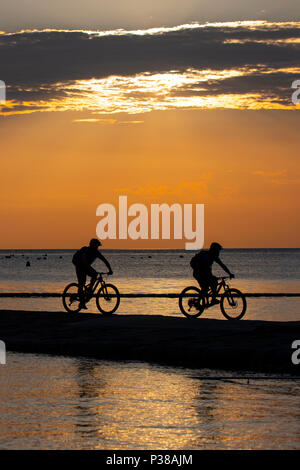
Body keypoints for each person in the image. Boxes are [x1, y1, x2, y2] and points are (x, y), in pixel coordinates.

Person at [72, 238, 113, 309]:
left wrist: (110, 270)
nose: (97, 247)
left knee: (95, 275)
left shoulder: (97, 253)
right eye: (96, 246)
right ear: (92, 245)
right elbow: (84, 261)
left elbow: (105, 260)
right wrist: (89, 269)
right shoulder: (86, 250)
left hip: (86, 266)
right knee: (82, 283)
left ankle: (90, 289)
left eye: (98, 246)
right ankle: (82, 303)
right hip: (79, 266)